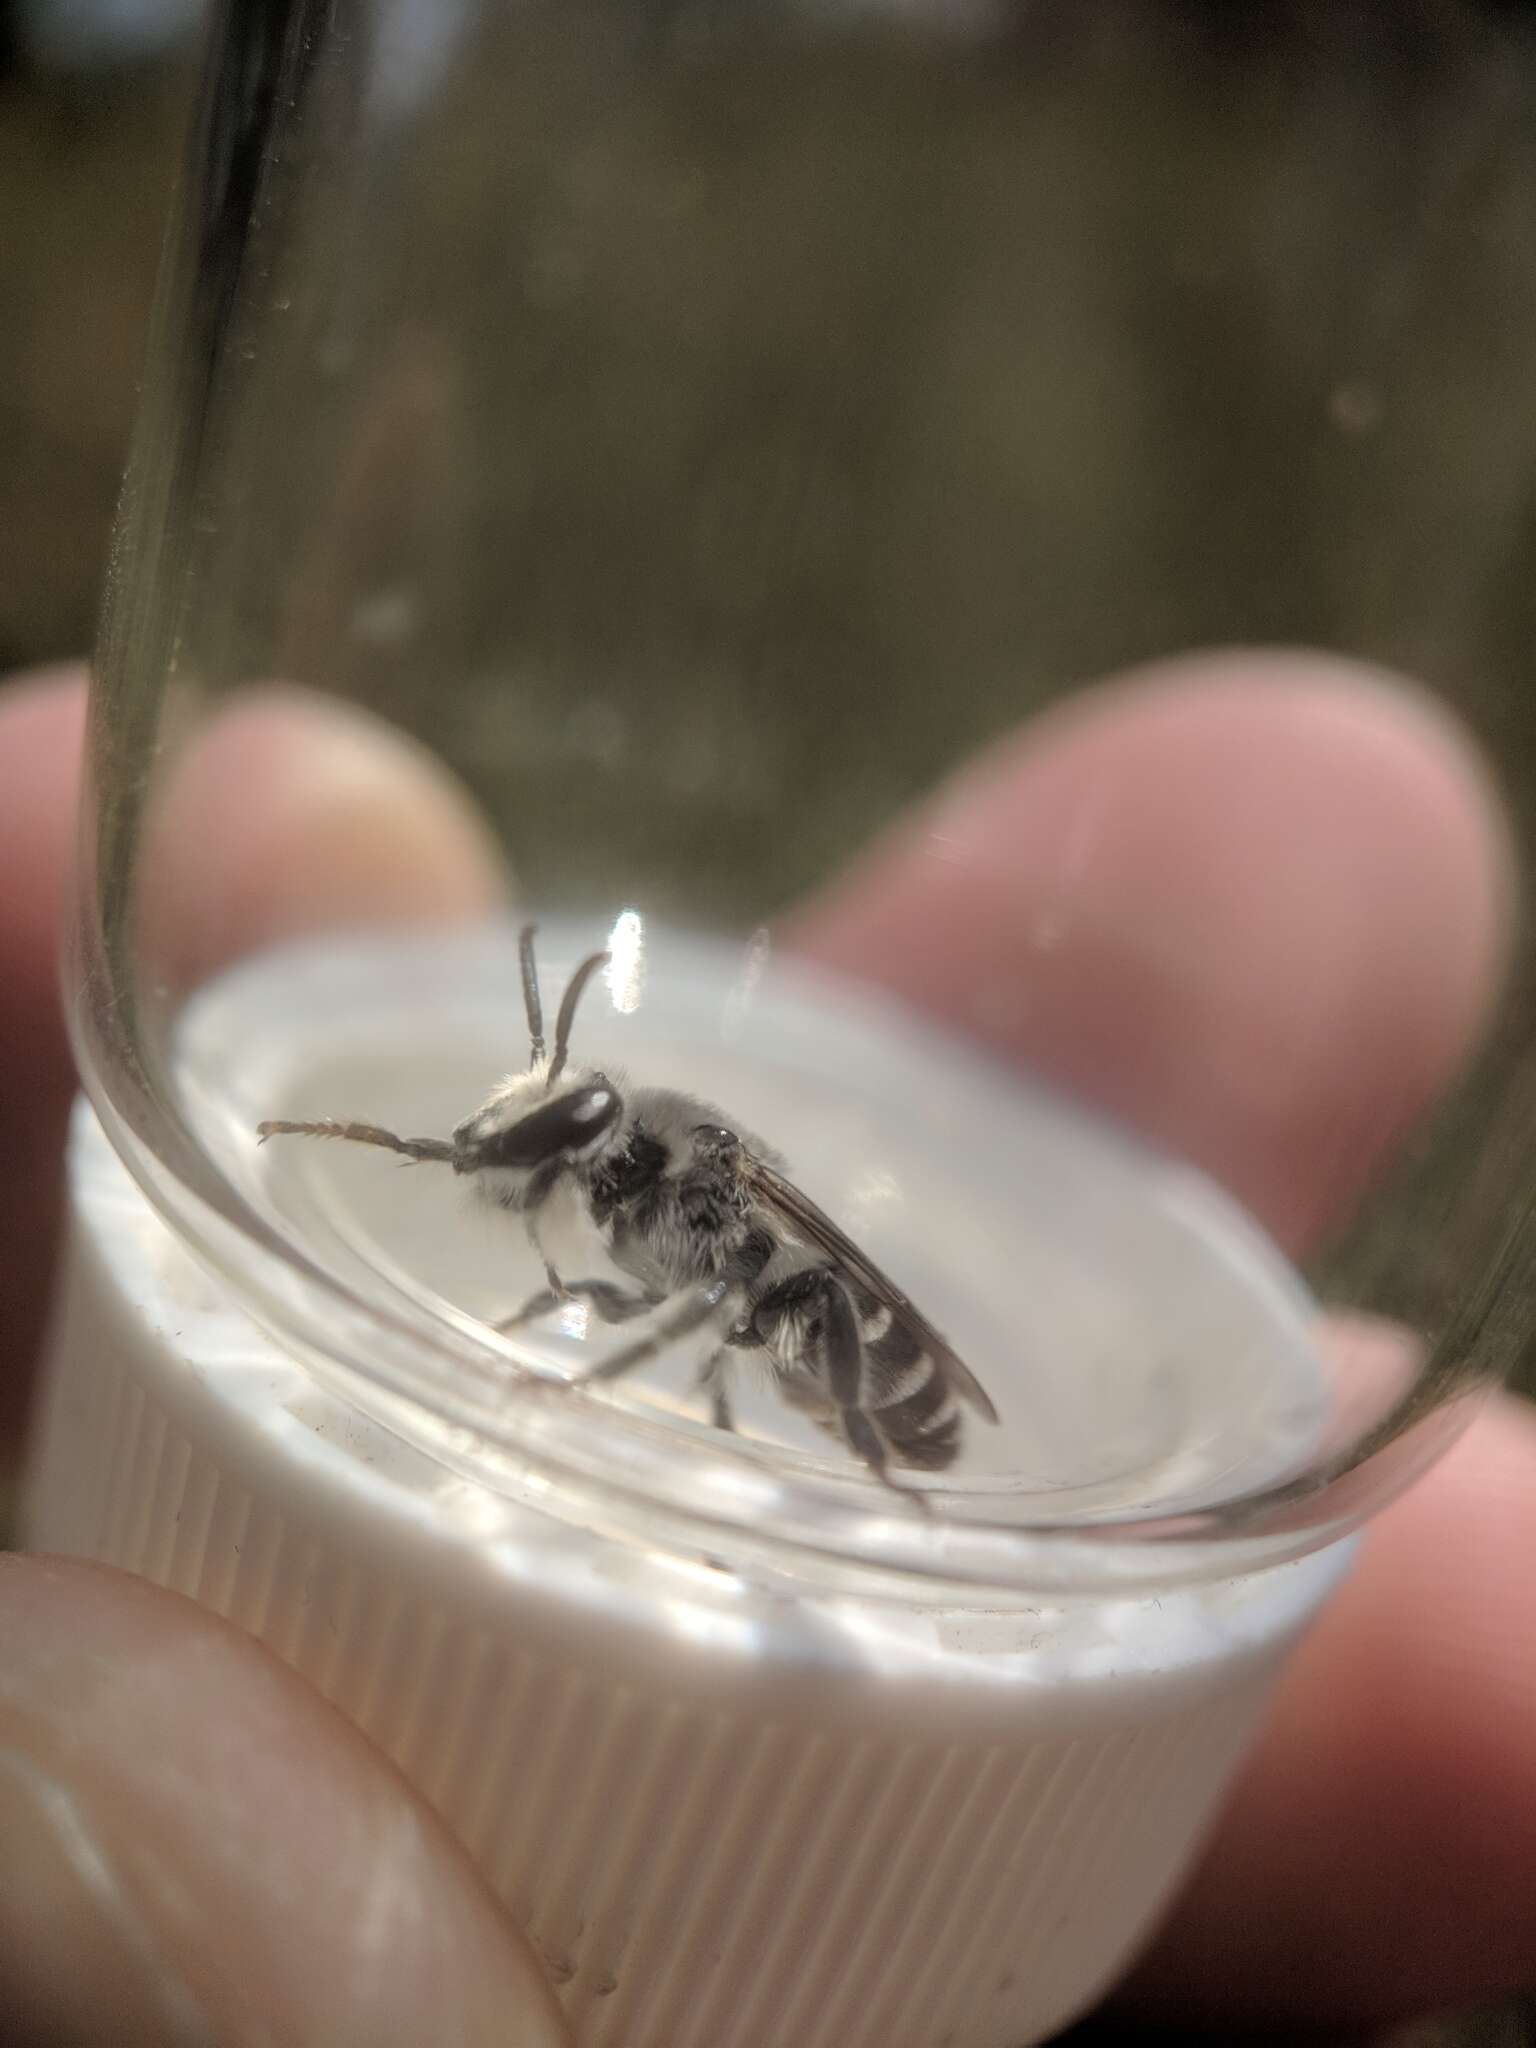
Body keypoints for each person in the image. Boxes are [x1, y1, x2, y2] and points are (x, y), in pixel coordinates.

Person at [0, 648, 1530, 2046]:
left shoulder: (692, 1178)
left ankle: (880, 1477)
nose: (535, 1140)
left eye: (552, 1117)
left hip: (858, 1382)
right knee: (716, 1328)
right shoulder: (621, 1171)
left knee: (768, 1317)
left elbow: (753, 1294)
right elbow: (605, 1248)